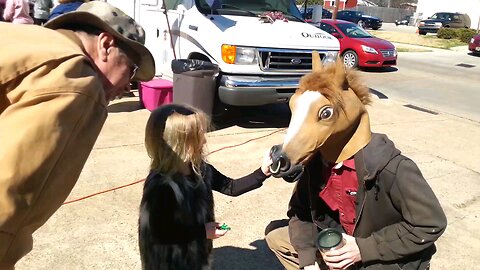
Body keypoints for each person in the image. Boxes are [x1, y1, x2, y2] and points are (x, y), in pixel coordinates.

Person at [0, 2, 155, 269]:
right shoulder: (76, 80)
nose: (128, 88)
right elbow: (10, 200)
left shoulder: (21, 39)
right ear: (106, 44)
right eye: (130, 71)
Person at [264, 57, 447, 270]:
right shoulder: (317, 163)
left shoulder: (392, 168)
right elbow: (300, 211)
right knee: (277, 235)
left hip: (379, 256)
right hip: (340, 244)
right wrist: (308, 261)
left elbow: (430, 224)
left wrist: (363, 249)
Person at [138, 104, 272, 270]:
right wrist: (202, 232)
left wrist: (263, 172)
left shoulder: (201, 169)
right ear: (181, 143)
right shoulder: (161, 186)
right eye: (199, 135)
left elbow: (231, 187)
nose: (205, 139)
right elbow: (160, 233)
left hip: (197, 254)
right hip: (168, 260)